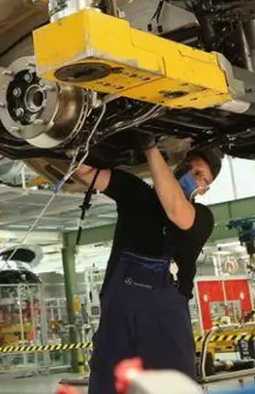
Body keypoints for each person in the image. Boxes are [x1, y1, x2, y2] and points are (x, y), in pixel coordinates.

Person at [75, 141, 224, 391]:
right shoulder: (137, 194)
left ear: (204, 190)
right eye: (190, 167)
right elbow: (86, 172)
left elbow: (175, 210)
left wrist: (149, 146)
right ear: (179, 165)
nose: (193, 176)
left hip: (165, 324)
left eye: (201, 176)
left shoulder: (201, 218)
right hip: (118, 319)